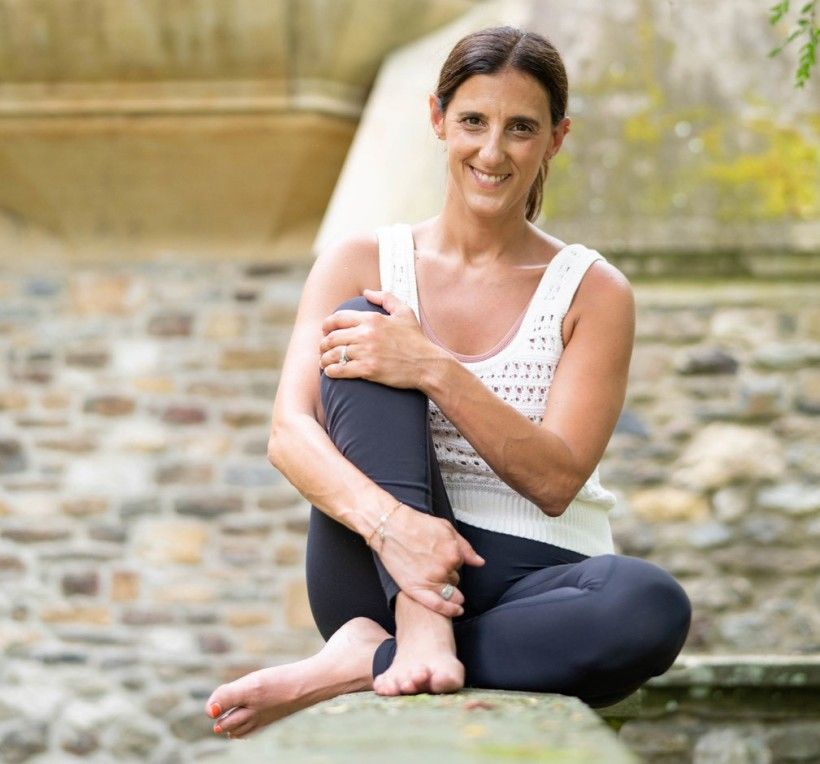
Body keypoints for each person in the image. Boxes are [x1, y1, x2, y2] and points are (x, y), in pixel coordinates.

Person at [204, 25, 692, 740]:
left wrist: (430, 365)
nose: (492, 152)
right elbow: (290, 434)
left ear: (556, 139)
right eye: (473, 121)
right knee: (361, 320)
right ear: (437, 118)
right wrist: (399, 535)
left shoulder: (593, 290)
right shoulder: (361, 258)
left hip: (540, 583)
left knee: (652, 606)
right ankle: (412, 620)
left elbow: (555, 481)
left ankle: (361, 662)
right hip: (373, 563)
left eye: (521, 129)